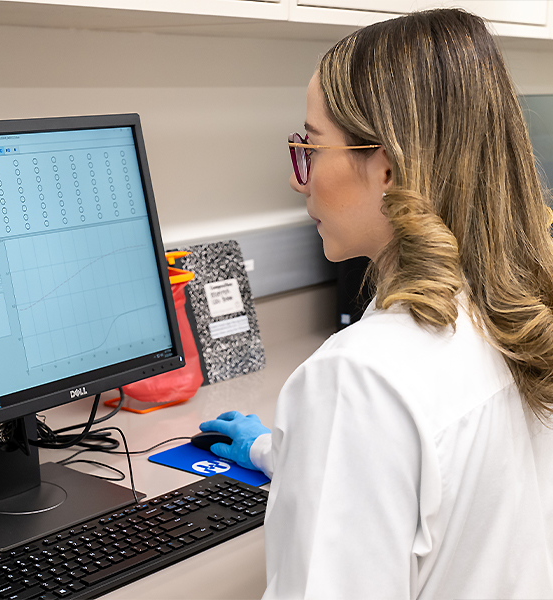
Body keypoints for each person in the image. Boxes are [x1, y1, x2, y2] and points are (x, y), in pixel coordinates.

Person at [201, 8, 553, 599]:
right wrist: (280, 451)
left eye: (309, 146)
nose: (300, 178)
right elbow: (436, 474)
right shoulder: (518, 314)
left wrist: (328, 429)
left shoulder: (358, 378)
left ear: (387, 166)